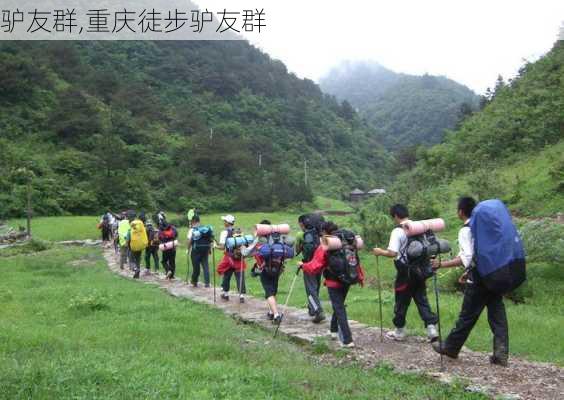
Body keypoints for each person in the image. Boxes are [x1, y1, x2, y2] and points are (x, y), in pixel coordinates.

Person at [432, 197, 509, 366]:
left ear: (460, 211)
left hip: (479, 279)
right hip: (495, 275)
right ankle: (501, 353)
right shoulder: (486, 227)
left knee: (467, 315)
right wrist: (467, 272)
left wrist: (442, 265)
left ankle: (451, 347)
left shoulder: (466, 230)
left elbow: (467, 258)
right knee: (498, 316)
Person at [372, 204, 439, 341]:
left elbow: (392, 253)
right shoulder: (418, 227)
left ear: (396, 216)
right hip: (421, 271)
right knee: (422, 299)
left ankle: (400, 331)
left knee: (401, 302)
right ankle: (431, 329)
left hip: (405, 273)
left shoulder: (398, 231)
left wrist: (379, 252)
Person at [298, 221, 364, 348]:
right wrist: (360, 277)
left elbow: (315, 266)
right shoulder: (348, 241)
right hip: (348, 278)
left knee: (339, 308)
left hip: (333, 281)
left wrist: (303, 266)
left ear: (324, 232)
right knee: (338, 305)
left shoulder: (326, 244)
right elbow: (354, 260)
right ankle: (333, 331)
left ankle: (347, 339)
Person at [247, 219, 289, 323]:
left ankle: (276, 315)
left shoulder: (260, 240)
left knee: (269, 292)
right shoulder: (277, 238)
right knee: (273, 290)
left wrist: (243, 249)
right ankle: (271, 312)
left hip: (264, 269)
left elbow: (248, 252)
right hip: (278, 269)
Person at [297, 214, 326, 323]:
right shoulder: (318, 234)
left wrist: (301, 246)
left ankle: (318, 311)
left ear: (302, 223)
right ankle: (312, 309)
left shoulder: (307, 235)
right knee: (315, 287)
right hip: (319, 264)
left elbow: (308, 251)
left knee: (310, 290)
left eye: (300, 224)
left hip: (309, 265)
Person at [216, 214, 247, 303]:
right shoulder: (238, 232)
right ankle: (241, 296)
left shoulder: (224, 232)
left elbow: (222, 247)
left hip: (229, 258)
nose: (223, 222)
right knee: (240, 277)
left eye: (224, 221)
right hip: (239, 257)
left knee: (227, 276)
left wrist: (215, 246)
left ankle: (225, 294)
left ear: (227, 223)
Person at [187, 215, 212, 287]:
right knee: (205, 266)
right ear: (199, 221)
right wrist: (209, 249)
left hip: (196, 251)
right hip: (205, 250)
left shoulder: (192, 230)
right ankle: (207, 283)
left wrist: (188, 249)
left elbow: (189, 241)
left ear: (193, 221)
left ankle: (194, 281)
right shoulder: (205, 229)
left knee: (196, 267)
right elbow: (209, 240)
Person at [127, 213, 148, 279]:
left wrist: (128, 245)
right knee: (138, 259)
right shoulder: (143, 227)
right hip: (140, 246)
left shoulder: (131, 230)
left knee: (131, 260)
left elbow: (128, 239)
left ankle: (135, 269)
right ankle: (137, 274)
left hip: (133, 247)